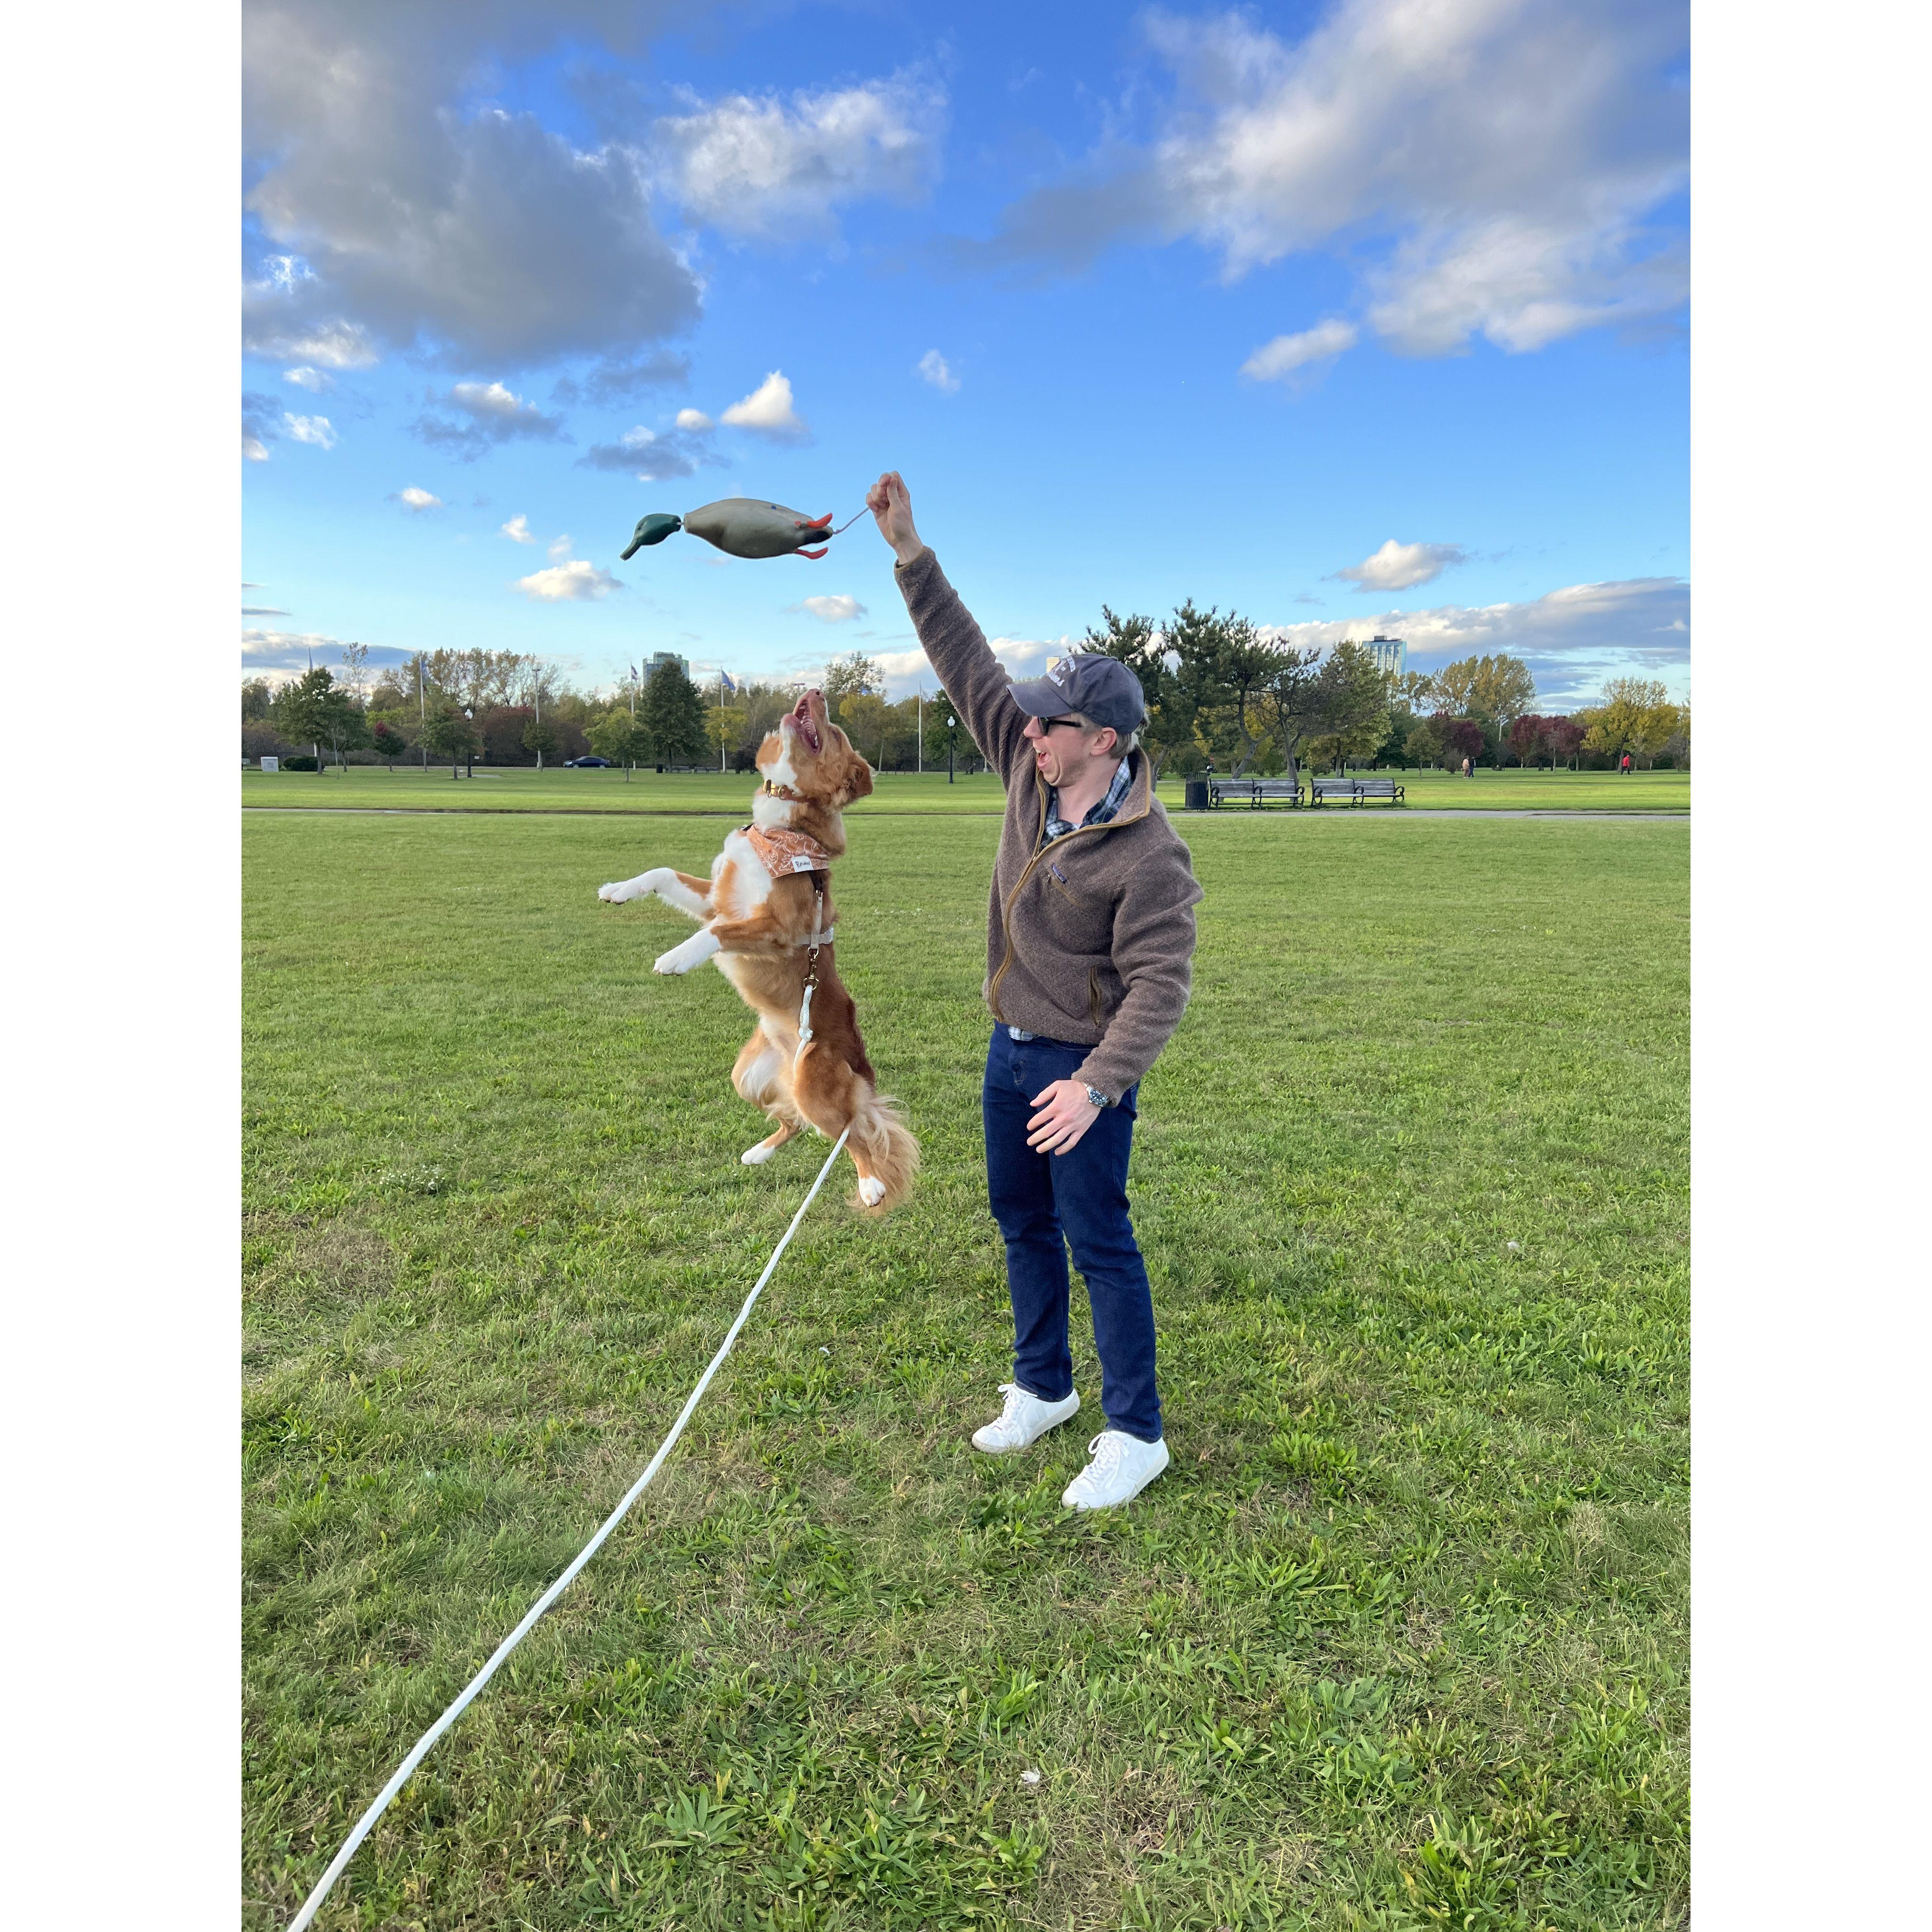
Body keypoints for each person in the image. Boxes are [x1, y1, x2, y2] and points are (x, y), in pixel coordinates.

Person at [867, 471, 1203, 1511]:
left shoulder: (1153, 855)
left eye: (1050, 721)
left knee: (1099, 1237)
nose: (1028, 728)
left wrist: (1096, 1086)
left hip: (1076, 1072)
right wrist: (911, 552)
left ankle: (1136, 1432)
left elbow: (1161, 985)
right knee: (1020, 1224)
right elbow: (965, 661)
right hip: (1008, 1049)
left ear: (1103, 739)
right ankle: (1044, 1387)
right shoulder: (1026, 773)